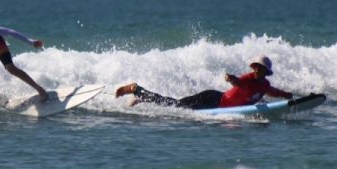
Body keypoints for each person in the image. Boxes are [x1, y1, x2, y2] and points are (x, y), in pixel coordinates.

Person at [114, 56, 293, 110]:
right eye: (257, 68)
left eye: (261, 69)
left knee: (175, 104)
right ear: (254, 68)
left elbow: (274, 92)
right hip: (213, 99)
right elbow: (238, 82)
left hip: (220, 103)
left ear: (265, 72)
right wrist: (230, 78)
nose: (258, 71)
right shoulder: (248, 79)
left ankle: (142, 96)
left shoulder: (265, 85)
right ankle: (136, 90)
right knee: (175, 105)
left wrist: (288, 96)